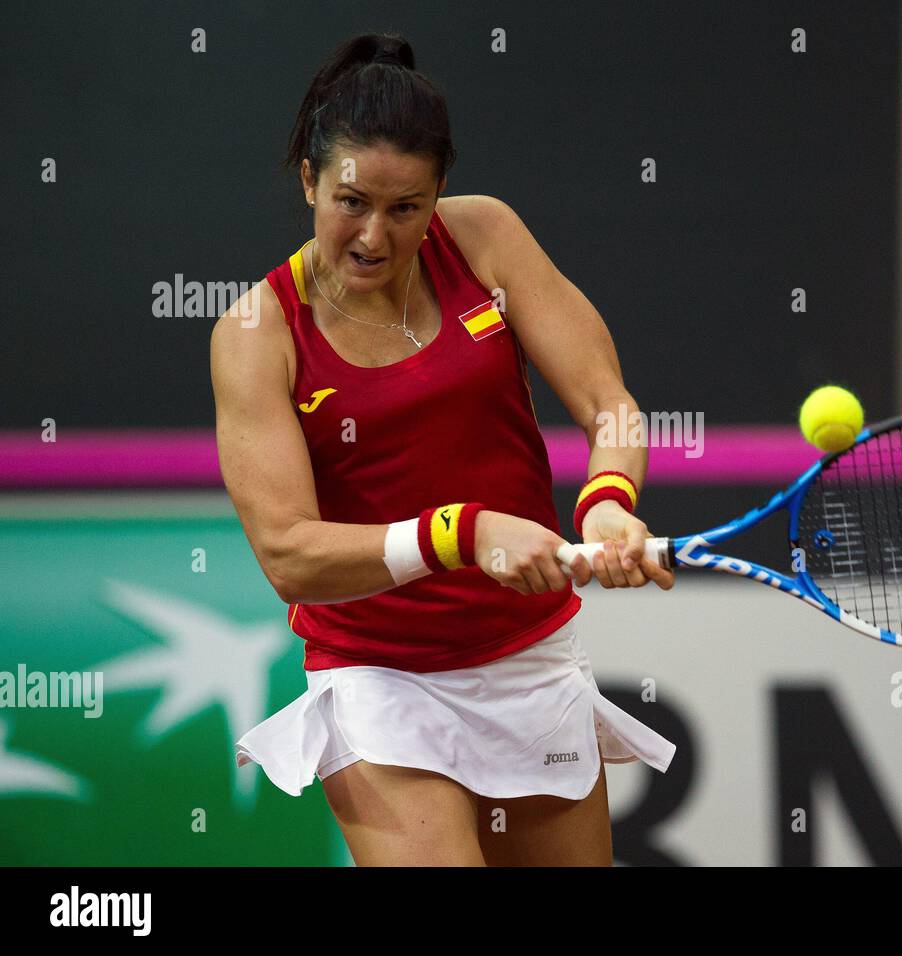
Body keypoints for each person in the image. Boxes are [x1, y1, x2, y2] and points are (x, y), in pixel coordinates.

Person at [209, 32, 675, 866]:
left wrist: (608, 499)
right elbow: (288, 554)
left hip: (531, 657)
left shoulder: (486, 238)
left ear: (439, 193)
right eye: (350, 201)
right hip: (377, 677)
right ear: (309, 179)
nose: (374, 237)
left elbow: (612, 406)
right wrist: (463, 533)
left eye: (406, 208)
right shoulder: (256, 334)